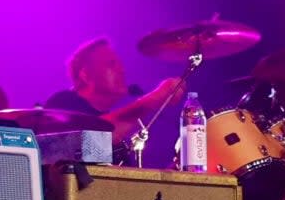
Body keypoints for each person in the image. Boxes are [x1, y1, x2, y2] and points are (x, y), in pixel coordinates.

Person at [46, 37, 185, 152]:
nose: (122, 70)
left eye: (120, 64)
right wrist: (153, 99)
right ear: (85, 75)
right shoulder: (63, 103)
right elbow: (81, 148)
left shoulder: (116, 130)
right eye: (111, 64)